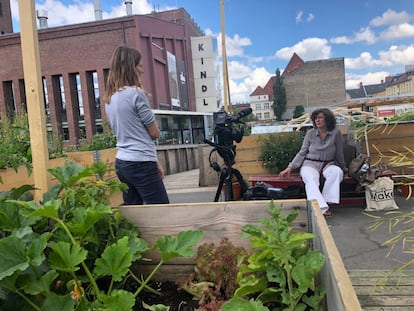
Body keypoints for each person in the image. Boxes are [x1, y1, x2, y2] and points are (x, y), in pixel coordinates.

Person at [103, 45, 169, 205]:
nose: (142, 70)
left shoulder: (109, 98)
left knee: (134, 214)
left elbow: (132, 134)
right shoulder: (136, 94)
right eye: (140, 66)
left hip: (122, 163)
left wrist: (155, 161)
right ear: (131, 68)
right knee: (163, 212)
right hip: (141, 163)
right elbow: (154, 133)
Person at [279, 108, 346, 216]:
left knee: (337, 172)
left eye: (320, 118)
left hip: (328, 164)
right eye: (315, 118)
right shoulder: (310, 133)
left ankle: (325, 200)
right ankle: (321, 207)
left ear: (327, 120)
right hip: (310, 164)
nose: (317, 120)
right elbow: (302, 152)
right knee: (310, 178)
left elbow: (339, 152)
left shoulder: (336, 133)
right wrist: (290, 167)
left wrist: (342, 167)